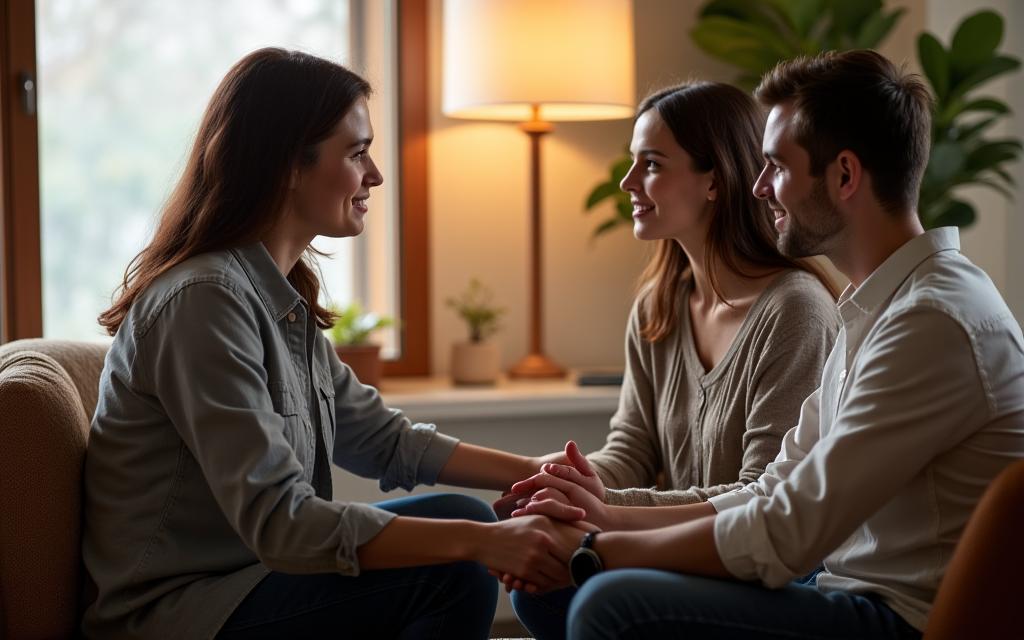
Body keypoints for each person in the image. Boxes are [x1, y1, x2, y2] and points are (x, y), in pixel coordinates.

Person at [509, 50, 1024, 640]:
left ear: (845, 176)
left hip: (899, 618)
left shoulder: (931, 320)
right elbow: (774, 487)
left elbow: (790, 530)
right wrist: (603, 518)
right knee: (559, 596)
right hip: (846, 592)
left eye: (776, 166)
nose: (757, 187)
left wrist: (599, 550)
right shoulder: (878, 307)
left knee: (613, 602)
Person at [82, 48, 587, 640]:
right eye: (357, 153)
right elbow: (282, 524)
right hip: (181, 612)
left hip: (252, 579)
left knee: (462, 519)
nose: (375, 175)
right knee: (457, 561)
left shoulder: (273, 295)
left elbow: (379, 439)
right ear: (288, 167)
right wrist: (487, 542)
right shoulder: (204, 303)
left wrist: (534, 472)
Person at [506, 80, 841, 638]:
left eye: (652, 164)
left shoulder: (796, 312)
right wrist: (565, 483)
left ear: (715, 180)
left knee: (589, 587)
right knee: (538, 593)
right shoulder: (657, 305)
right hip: (677, 547)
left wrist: (598, 506)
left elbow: (764, 494)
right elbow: (632, 448)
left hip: (765, 565)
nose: (628, 182)